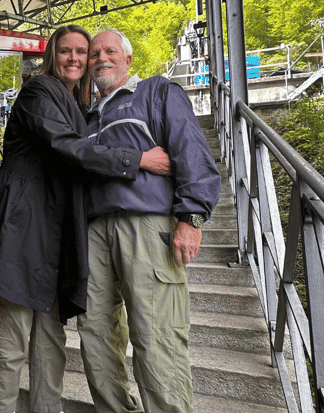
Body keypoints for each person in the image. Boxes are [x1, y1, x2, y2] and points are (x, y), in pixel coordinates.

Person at [0, 25, 171, 413]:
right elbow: (69, 148)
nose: (76, 58)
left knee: (50, 342)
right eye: (67, 51)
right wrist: (139, 160)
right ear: (52, 55)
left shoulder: (76, 105)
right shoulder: (38, 92)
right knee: (12, 344)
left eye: (83, 51)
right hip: (21, 229)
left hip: (53, 236)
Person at [77, 29, 221, 413]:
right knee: (94, 334)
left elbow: (190, 149)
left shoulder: (157, 92)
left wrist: (190, 217)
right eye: (93, 54)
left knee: (156, 335)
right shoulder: (86, 116)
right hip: (93, 230)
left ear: (127, 60)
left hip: (147, 225)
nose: (100, 59)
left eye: (109, 51)